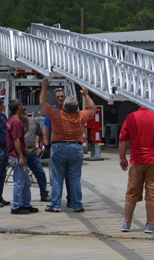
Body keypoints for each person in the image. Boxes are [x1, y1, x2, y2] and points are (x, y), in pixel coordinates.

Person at [41, 78, 96, 213]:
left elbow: (43, 102)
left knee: (57, 179)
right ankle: (77, 205)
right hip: (76, 148)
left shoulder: (56, 115)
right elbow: (93, 109)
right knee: (75, 179)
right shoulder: (81, 116)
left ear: (64, 105)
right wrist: (86, 94)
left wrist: (44, 87)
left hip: (58, 148)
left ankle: (55, 205)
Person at [7, 99, 39, 214]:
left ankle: (26, 204)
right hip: (17, 157)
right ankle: (16, 207)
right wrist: (21, 157)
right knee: (19, 182)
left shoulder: (13, 121)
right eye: (21, 104)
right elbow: (16, 141)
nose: (23, 106)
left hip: (19, 156)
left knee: (25, 181)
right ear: (18, 107)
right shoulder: (16, 122)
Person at [43, 87, 72, 207]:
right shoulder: (52, 112)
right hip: (56, 146)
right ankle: (56, 202)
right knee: (57, 179)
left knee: (71, 179)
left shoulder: (71, 110)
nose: (60, 99)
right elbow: (47, 129)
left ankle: (71, 200)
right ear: (54, 99)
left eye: (62, 96)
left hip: (70, 145)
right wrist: (47, 145)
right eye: (58, 97)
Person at [22, 108, 51, 202]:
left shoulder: (33, 121)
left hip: (32, 154)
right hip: (21, 155)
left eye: (25, 110)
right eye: (22, 111)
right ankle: (22, 199)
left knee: (41, 173)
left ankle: (44, 194)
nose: (25, 112)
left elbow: (41, 134)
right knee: (22, 177)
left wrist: (40, 147)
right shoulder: (15, 123)